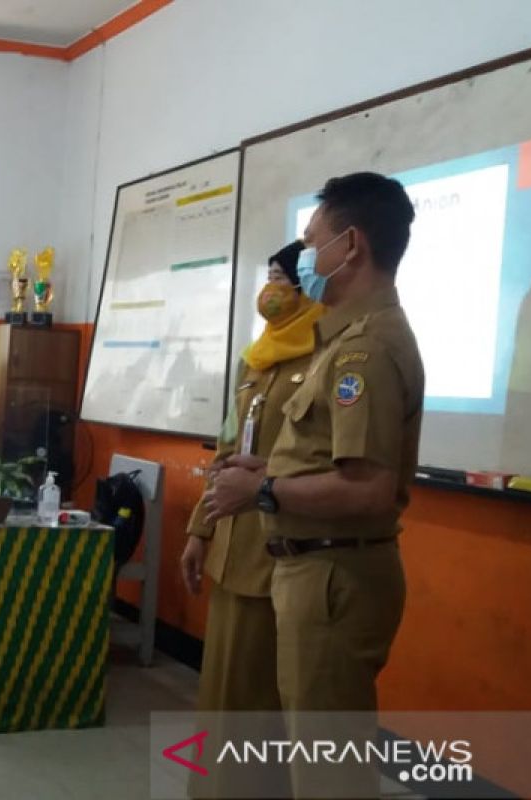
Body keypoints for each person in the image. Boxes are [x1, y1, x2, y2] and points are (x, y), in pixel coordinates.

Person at [205, 172, 423, 795]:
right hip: (316, 571)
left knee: (330, 775)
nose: (304, 259)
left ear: (349, 245)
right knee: (311, 765)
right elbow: (326, 460)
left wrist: (263, 492)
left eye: (311, 242)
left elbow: (368, 490)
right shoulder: (341, 340)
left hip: (335, 578)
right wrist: (266, 470)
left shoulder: (366, 352)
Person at [181, 241, 322, 797]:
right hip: (232, 550)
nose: (271, 289)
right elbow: (224, 449)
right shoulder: (256, 358)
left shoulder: (325, 356)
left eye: (283, 276)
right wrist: (200, 527)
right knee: (222, 697)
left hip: (285, 551)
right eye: (268, 276)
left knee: (263, 704)